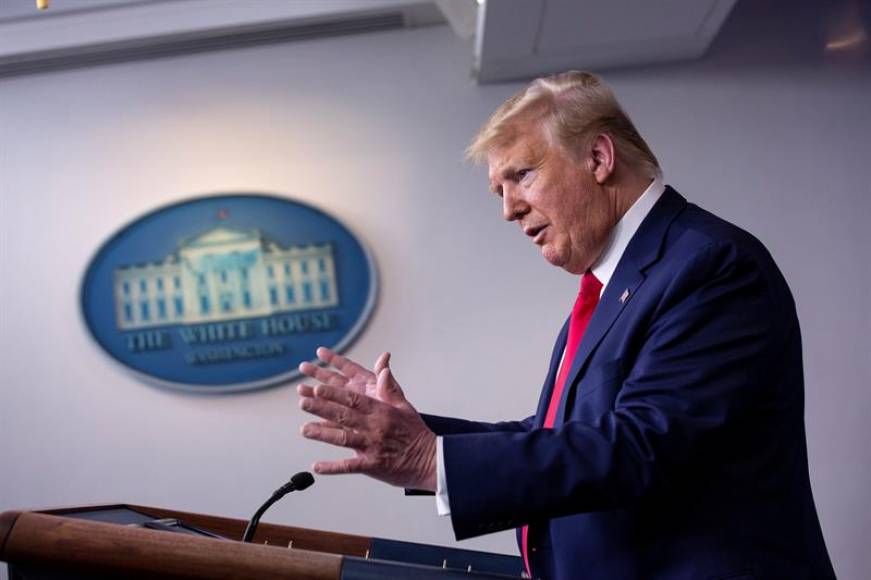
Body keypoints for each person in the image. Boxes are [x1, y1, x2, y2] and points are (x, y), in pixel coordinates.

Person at [297, 71, 836, 580]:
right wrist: (421, 433)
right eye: (498, 191)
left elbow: (641, 445)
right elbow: (561, 436)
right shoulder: (617, 281)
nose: (508, 209)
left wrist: (428, 460)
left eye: (522, 175)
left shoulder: (710, 265)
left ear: (599, 157)